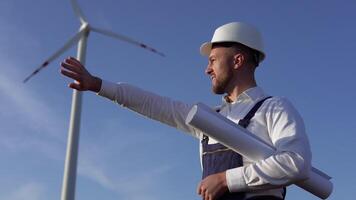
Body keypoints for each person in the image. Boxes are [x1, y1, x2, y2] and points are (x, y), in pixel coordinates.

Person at [60, 22, 312, 200]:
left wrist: (226, 180)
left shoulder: (274, 107)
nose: (207, 69)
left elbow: (296, 163)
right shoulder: (210, 118)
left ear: (237, 60)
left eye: (213, 60)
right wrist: (98, 85)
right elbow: (155, 105)